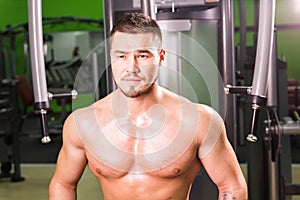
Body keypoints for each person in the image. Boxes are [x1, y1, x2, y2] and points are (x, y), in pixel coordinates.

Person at [49, 13, 247, 200]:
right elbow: (63, 184)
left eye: (142, 56)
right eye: (121, 56)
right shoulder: (83, 123)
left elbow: (231, 187)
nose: (131, 67)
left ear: (161, 57)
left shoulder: (199, 120)